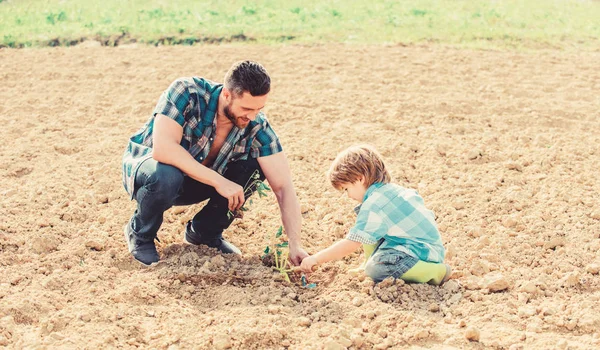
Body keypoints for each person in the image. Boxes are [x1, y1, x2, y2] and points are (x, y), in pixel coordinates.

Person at [121, 60, 308, 266]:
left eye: (258, 109)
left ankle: (204, 233)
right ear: (226, 94)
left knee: (254, 168)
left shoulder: (256, 126)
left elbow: (284, 187)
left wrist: (295, 244)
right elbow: (163, 149)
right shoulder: (187, 91)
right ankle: (141, 234)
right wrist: (219, 181)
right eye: (246, 108)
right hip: (152, 173)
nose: (252, 116)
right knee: (167, 174)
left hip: (197, 182)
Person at [299, 145, 451, 285]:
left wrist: (316, 258)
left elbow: (351, 244)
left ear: (360, 178)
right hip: (423, 246)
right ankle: (368, 263)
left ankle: (435, 272)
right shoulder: (389, 191)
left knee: (377, 270)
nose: (348, 196)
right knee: (369, 232)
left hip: (422, 252)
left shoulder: (374, 204)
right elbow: (368, 235)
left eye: (346, 189)